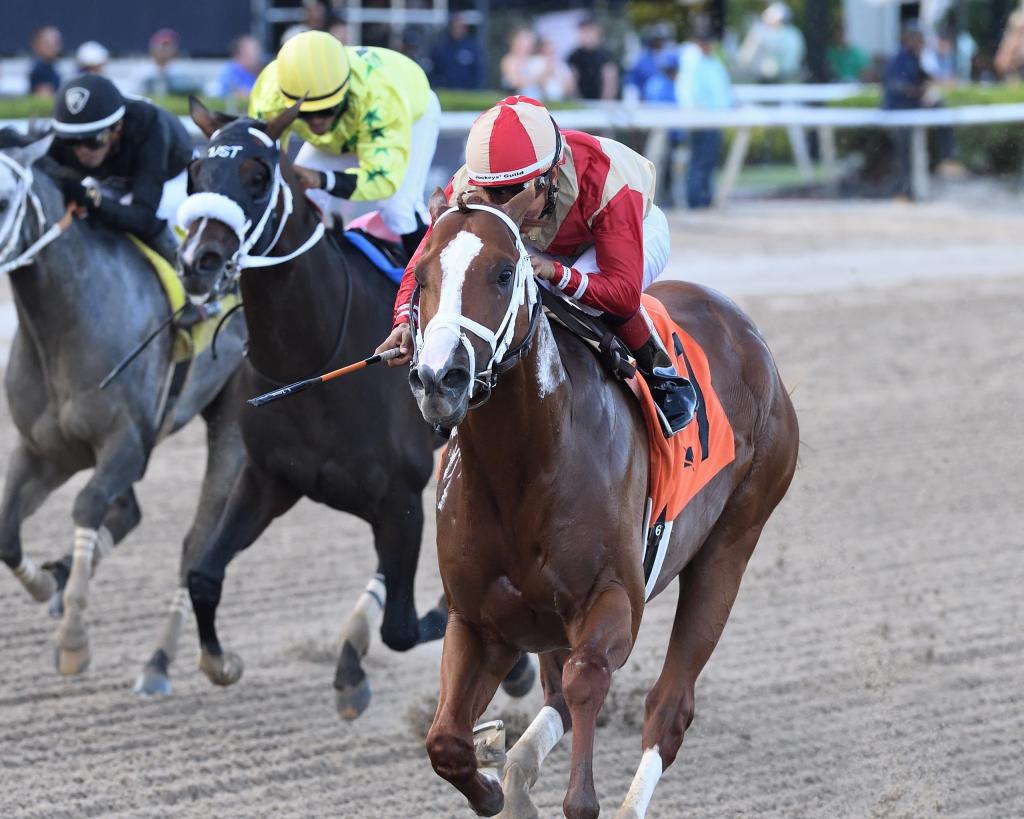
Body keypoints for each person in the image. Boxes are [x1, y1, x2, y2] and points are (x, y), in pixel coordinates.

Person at [376, 96, 697, 436]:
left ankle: (661, 375)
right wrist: (404, 322)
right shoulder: (468, 187)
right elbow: (426, 263)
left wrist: (556, 272)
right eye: (491, 193)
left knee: (583, 299)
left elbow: (622, 295)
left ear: (551, 174)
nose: (503, 205)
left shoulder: (607, 180)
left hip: (632, 232)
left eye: (514, 191)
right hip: (545, 241)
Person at [249, 30, 441, 256]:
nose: (316, 121)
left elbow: (383, 180)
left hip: (411, 115)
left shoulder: (379, 97)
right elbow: (260, 160)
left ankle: (428, 285)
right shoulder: (269, 94)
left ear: (345, 93)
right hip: (346, 129)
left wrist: (322, 179)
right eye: (304, 113)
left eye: (326, 110)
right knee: (298, 198)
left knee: (398, 209)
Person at [48, 74, 192, 263]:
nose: (82, 152)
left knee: (162, 214)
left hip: (169, 177)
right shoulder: (64, 135)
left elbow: (144, 218)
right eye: (71, 141)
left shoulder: (149, 126)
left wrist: (90, 198)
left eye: (94, 140)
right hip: (109, 178)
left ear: (118, 128)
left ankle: (189, 275)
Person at [677, 23, 734, 208]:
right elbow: (689, 94)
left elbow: (723, 90)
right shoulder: (692, 62)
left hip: (715, 118)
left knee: (709, 162)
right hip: (699, 120)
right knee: (699, 161)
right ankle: (695, 200)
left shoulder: (713, 61)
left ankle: (706, 199)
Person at [736, 2, 806, 83]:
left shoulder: (792, 35)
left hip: (786, 80)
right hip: (760, 80)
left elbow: (793, 59)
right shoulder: (759, 32)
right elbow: (745, 57)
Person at [567, 16, 618, 101]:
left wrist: (605, 102)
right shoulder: (573, 56)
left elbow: (610, 84)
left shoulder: (606, 55)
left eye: (589, 31)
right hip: (580, 101)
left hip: (601, 102)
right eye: (583, 31)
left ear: (596, 32)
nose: (586, 35)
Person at [430, 13, 485, 90]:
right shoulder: (442, 47)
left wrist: (476, 89)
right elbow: (435, 70)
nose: (456, 30)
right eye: (454, 27)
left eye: (459, 27)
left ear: (465, 28)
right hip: (446, 91)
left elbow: (478, 71)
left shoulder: (473, 47)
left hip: (468, 92)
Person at [141, 28, 200, 96]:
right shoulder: (142, 72)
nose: (164, 50)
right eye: (161, 46)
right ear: (153, 48)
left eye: (167, 46)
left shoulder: (182, 73)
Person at [623, 22, 674, 101]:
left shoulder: (671, 57)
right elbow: (632, 83)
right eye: (657, 40)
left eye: (662, 40)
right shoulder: (642, 60)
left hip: (667, 102)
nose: (660, 43)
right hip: (646, 102)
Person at [216, 35, 263, 100]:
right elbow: (223, 95)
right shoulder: (228, 72)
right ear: (240, 54)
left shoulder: (259, 71)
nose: (257, 57)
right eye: (252, 53)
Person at [28, 26, 62, 97]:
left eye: (56, 42)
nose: (53, 47)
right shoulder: (40, 70)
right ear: (37, 45)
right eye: (48, 43)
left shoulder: (52, 67)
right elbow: (44, 98)